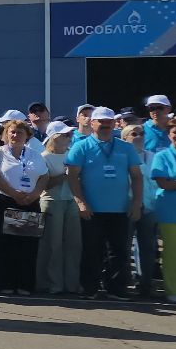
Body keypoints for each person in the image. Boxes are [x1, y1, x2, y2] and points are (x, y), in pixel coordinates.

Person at [65, 107, 143, 301]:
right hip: (92, 209)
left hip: (120, 209)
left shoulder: (125, 147)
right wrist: (81, 203)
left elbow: (136, 177)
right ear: (92, 123)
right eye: (101, 121)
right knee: (92, 250)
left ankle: (115, 288)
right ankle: (89, 287)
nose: (105, 124)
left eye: (109, 121)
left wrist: (136, 203)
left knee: (118, 251)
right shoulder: (81, 146)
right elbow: (72, 176)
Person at [0, 119, 46, 296]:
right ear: (6, 134)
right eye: (12, 132)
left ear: (27, 136)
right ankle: (3, 284)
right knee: (3, 246)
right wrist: (13, 193)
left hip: (29, 203)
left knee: (26, 246)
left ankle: (24, 284)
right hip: (4, 201)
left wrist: (34, 195)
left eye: (19, 133)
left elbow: (44, 177)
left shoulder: (34, 154)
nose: (15, 135)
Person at [35, 122, 81, 297]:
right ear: (54, 137)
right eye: (65, 135)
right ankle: (52, 283)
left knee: (73, 244)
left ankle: (71, 284)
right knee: (52, 244)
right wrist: (64, 175)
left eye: (69, 135)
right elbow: (44, 184)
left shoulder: (72, 155)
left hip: (71, 201)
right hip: (51, 201)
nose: (69, 137)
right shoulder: (43, 157)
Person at [122, 121, 164, 298]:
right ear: (124, 138)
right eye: (134, 134)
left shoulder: (153, 157)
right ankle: (123, 283)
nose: (138, 137)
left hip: (150, 208)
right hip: (127, 207)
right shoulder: (121, 158)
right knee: (123, 248)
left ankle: (145, 284)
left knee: (147, 247)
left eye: (141, 134)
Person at [148, 122, 176, 300]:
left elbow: (172, 182)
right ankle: (174, 290)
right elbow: (163, 183)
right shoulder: (162, 156)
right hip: (171, 212)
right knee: (173, 252)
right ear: (169, 135)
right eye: (175, 132)